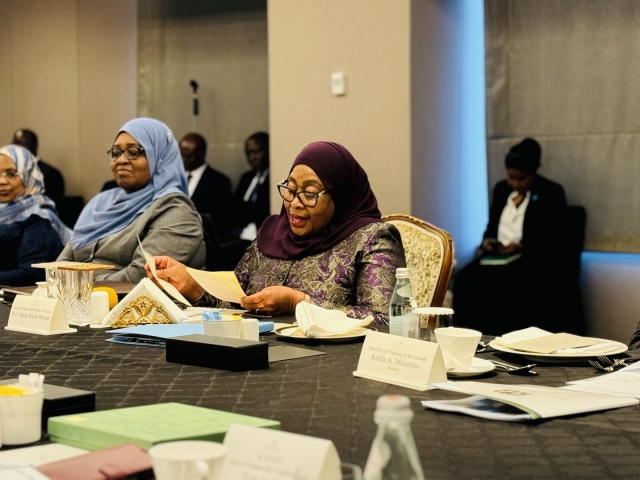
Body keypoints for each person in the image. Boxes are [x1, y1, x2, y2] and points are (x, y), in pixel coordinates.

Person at [148, 141, 406, 324]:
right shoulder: (272, 234)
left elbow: (386, 320)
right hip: (256, 355)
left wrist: (300, 303)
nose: (294, 202)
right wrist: (192, 285)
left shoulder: (373, 238)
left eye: (310, 193)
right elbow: (238, 302)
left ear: (341, 197)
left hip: (331, 369)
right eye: (291, 189)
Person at [57, 118, 206, 282]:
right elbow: (58, 269)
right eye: (115, 153)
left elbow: (137, 279)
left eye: (133, 152)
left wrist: (76, 283)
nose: (121, 160)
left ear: (159, 156)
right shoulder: (100, 203)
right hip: (79, 304)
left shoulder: (176, 211)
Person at [452, 137, 568, 335]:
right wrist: (487, 242)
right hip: (497, 256)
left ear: (532, 173)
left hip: (529, 259)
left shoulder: (551, 193)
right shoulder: (501, 190)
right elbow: (491, 227)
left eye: (521, 179)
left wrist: (521, 246)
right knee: (464, 279)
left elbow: (553, 239)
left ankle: (501, 337)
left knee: (506, 284)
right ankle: (468, 336)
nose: (514, 183)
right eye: (511, 177)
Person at [0, 144, 72, 286]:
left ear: (28, 175)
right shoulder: (5, 212)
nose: (1, 181)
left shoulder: (38, 218)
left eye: (11, 173)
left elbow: (31, 274)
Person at [179, 132, 232, 239]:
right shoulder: (175, 178)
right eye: (180, 155)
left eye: (187, 156)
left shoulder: (219, 182)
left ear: (202, 154)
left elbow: (217, 221)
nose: (182, 160)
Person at [230, 132, 270, 241]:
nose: (252, 158)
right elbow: (233, 209)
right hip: (239, 236)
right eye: (248, 154)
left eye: (256, 152)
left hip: (262, 238)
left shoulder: (273, 178)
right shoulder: (247, 178)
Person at [12, 129, 66, 209]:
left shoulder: (52, 174)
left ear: (35, 146)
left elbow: (54, 206)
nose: (18, 148)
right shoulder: (8, 173)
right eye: (15, 144)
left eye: (23, 143)